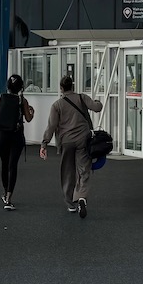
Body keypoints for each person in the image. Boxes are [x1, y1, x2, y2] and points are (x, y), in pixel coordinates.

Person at [39, 74, 103, 218]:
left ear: (61, 88)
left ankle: (70, 203)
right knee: (83, 170)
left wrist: (44, 143)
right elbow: (97, 107)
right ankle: (81, 197)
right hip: (83, 140)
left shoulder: (57, 105)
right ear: (72, 86)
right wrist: (98, 101)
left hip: (66, 141)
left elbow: (51, 126)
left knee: (67, 172)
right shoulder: (82, 98)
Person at [0, 74, 34, 210]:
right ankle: (9, 198)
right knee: (12, 166)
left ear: (8, 86)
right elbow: (28, 118)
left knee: (4, 164)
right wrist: (32, 112)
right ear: (21, 87)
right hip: (16, 136)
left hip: (3, 135)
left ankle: (4, 192)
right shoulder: (22, 100)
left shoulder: (0, 98)